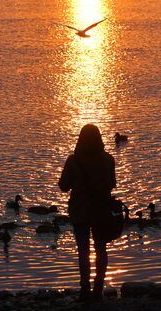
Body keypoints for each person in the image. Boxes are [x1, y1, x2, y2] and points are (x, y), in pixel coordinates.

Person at [59, 124, 116, 302]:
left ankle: (84, 288)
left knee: (83, 251)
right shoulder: (108, 159)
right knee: (101, 249)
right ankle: (98, 288)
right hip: (101, 212)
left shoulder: (73, 161)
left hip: (80, 211)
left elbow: (63, 186)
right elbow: (112, 184)